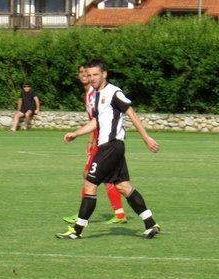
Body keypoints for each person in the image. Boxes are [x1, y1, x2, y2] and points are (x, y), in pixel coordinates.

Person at [57, 59, 161, 240]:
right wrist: (76, 133)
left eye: (95, 74)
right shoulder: (96, 95)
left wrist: (146, 137)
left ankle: (76, 230)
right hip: (112, 147)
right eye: (89, 75)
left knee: (90, 184)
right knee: (123, 186)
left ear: (104, 74)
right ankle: (150, 224)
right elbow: (97, 122)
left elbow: (130, 112)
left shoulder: (113, 92)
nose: (91, 78)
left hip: (111, 146)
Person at [62, 63, 127, 226]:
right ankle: (120, 213)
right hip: (100, 139)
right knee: (111, 179)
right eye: (82, 72)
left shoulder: (95, 93)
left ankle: (82, 217)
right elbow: (95, 121)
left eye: (88, 73)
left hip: (105, 141)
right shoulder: (88, 94)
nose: (85, 75)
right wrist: (89, 141)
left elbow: (99, 121)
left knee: (90, 177)